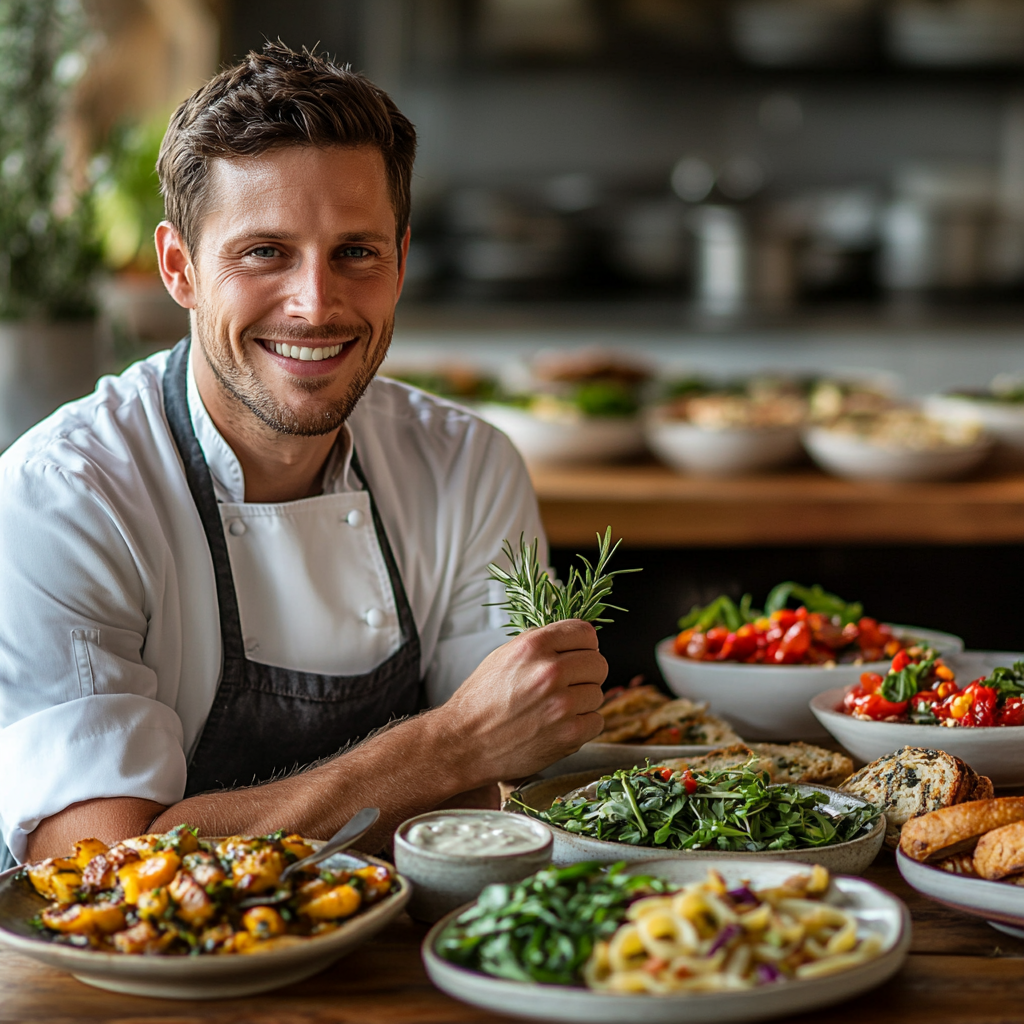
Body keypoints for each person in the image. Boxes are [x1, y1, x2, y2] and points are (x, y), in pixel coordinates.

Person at [0, 43, 607, 864]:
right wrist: (450, 746)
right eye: (263, 253)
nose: (315, 305)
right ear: (178, 267)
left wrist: (474, 758)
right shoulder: (68, 496)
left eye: (356, 252)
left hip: (413, 957)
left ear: (399, 264)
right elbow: (97, 864)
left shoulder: (468, 467)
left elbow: (504, 800)